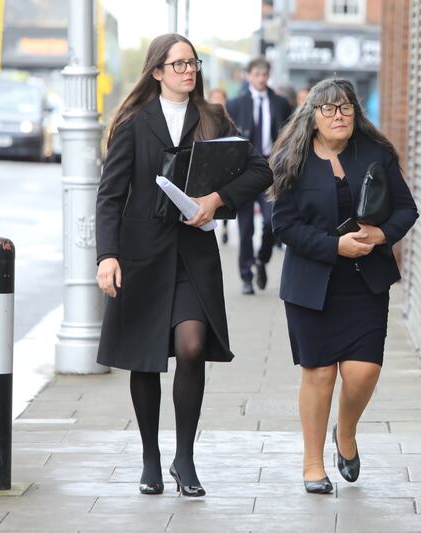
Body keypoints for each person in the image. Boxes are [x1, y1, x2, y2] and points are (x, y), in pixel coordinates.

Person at [95, 34, 272, 497]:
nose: (189, 71)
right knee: (145, 358)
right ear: (157, 72)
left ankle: (184, 458)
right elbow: (110, 196)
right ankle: (151, 457)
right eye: (178, 64)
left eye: (193, 62)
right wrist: (106, 256)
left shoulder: (212, 118)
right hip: (141, 255)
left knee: (192, 346)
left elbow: (260, 170)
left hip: (193, 255)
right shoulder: (135, 123)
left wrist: (216, 200)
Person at [270, 78, 417, 494]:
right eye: (330, 109)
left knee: (363, 371)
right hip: (311, 285)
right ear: (312, 117)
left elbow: (407, 209)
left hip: (365, 282)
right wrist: (335, 246)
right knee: (318, 374)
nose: (339, 116)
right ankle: (313, 464)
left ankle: (346, 431)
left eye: (346, 108)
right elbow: (284, 225)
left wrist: (380, 235)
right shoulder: (291, 159)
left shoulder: (375, 154)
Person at [226, 57, 293, 294]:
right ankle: (245, 276)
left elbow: (289, 135)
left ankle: (262, 260)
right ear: (248, 75)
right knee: (245, 228)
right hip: (244, 172)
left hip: (270, 169)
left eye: (265, 74)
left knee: (271, 222)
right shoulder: (235, 104)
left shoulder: (281, 103)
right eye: (257, 74)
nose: (262, 79)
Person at [207, 87, 234, 245]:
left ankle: (224, 225)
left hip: (226, 162)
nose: (218, 101)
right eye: (215, 97)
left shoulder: (228, 119)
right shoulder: (204, 117)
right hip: (210, 162)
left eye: (221, 98)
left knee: (223, 195)